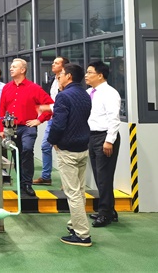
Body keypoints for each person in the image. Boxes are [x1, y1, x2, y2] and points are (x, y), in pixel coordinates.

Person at [45, 63, 92, 246]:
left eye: (61, 74)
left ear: (69, 76)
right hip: (83, 147)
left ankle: (82, 235)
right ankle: (75, 224)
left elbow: (58, 124)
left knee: (72, 193)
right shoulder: (85, 95)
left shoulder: (63, 96)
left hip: (68, 150)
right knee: (79, 191)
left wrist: (52, 140)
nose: (59, 77)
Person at [0, 58, 54, 197]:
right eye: (11, 66)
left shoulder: (34, 88)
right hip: (11, 128)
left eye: (14, 67)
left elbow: (50, 106)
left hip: (28, 127)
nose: (11, 69)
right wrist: (1, 128)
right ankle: (21, 183)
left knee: (27, 150)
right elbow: (2, 109)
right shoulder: (6, 88)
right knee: (16, 153)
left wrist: (39, 120)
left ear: (23, 70)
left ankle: (27, 183)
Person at [85, 60, 122, 227]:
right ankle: (109, 210)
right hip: (92, 137)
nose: (86, 75)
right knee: (99, 176)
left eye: (90, 72)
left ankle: (105, 213)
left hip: (104, 138)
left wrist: (109, 140)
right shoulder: (89, 92)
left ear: (100, 75)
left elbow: (114, 118)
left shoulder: (110, 93)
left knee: (104, 177)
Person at [34, 56, 69, 186]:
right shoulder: (53, 80)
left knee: (63, 149)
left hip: (63, 120)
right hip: (52, 119)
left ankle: (67, 180)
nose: (53, 65)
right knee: (45, 146)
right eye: (53, 62)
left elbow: (63, 103)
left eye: (56, 63)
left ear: (64, 66)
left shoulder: (67, 82)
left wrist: (47, 108)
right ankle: (46, 177)